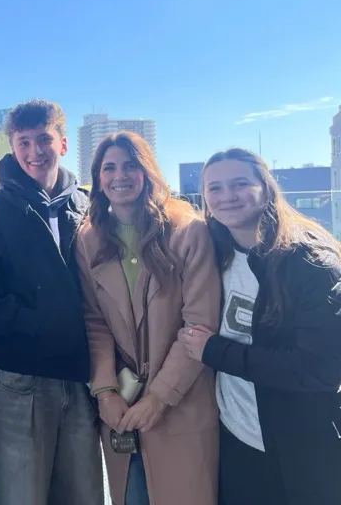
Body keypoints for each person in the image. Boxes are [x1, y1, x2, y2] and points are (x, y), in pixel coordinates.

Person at [178, 148, 341, 505]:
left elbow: (321, 370)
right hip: (237, 439)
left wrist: (216, 352)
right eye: (215, 188)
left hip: (300, 447)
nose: (227, 196)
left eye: (239, 184)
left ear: (266, 189)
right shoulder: (211, 255)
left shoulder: (309, 262)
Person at [0, 99, 103, 505]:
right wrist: (38, 323)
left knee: (82, 491)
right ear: (12, 146)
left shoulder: (87, 206)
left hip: (81, 374)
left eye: (44, 139)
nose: (35, 151)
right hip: (22, 376)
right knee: (18, 492)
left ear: (62, 143)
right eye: (24, 142)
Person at [75, 132, 220, 505]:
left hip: (183, 400)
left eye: (130, 165)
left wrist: (158, 398)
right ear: (98, 177)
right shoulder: (88, 239)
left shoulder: (188, 231)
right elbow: (94, 321)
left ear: (147, 172)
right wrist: (105, 391)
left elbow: (199, 324)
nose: (119, 175)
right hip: (121, 407)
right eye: (109, 167)